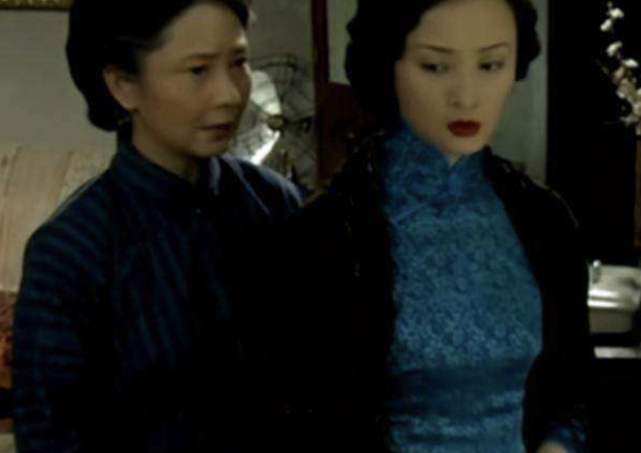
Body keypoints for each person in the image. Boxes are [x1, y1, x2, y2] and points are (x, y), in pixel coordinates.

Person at [269, 0, 594, 452]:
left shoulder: (544, 219)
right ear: (389, 67)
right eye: (436, 66)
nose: (467, 96)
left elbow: (574, 393)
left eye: (490, 65)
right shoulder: (326, 233)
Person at [11, 0, 301, 452]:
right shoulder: (71, 252)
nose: (229, 94)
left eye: (238, 62)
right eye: (198, 70)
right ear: (123, 85)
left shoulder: (274, 204)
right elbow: (51, 438)